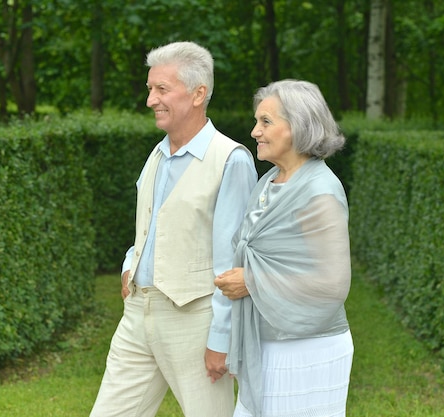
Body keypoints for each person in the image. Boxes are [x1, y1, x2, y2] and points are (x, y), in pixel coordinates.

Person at [89, 41, 258, 417]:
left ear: (199, 94)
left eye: (161, 89)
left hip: (194, 321)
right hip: (137, 314)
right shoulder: (158, 153)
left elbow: (232, 261)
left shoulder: (230, 159)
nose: (151, 100)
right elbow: (149, 224)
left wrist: (221, 338)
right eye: (150, 89)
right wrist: (129, 263)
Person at [215, 79, 354, 417]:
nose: (254, 132)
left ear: (298, 126)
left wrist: (252, 280)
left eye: (266, 122)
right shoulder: (269, 181)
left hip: (306, 350)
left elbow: (333, 284)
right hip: (268, 344)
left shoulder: (319, 192)